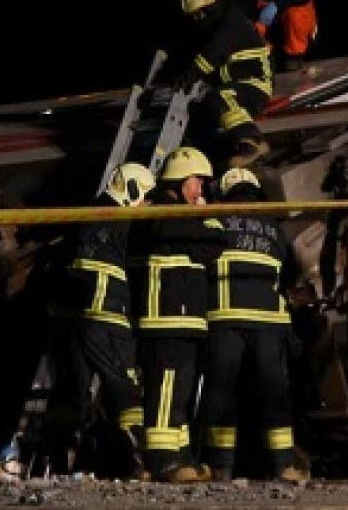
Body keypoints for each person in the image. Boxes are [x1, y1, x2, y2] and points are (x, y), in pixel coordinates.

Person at [42, 162, 155, 479]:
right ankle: (140, 462)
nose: (147, 205)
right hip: (106, 316)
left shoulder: (84, 217)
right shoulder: (124, 222)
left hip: (69, 320)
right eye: (146, 197)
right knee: (124, 387)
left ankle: (57, 459)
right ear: (132, 192)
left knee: (69, 391)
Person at [195, 168, 307, 483]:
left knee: (222, 394)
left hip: (225, 320)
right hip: (270, 324)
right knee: (275, 396)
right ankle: (283, 465)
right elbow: (291, 272)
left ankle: (221, 466)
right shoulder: (274, 228)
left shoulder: (215, 220)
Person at [133, 147, 224, 483]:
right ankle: (162, 461)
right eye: (198, 182)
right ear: (183, 181)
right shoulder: (158, 214)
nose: (201, 191)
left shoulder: (180, 219)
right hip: (164, 319)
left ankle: (182, 457)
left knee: (180, 395)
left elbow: (214, 246)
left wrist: (199, 227)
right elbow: (208, 239)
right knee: (165, 392)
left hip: (184, 321)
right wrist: (200, 225)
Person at [175, 0, 275, 170]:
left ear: (210, 7)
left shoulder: (232, 23)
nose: (197, 20)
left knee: (220, 98)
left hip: (254, 86)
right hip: (239, 85)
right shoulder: (220, 24)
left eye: (199, 14)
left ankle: (252, 141)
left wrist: (190, 75)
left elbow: (213, 53)